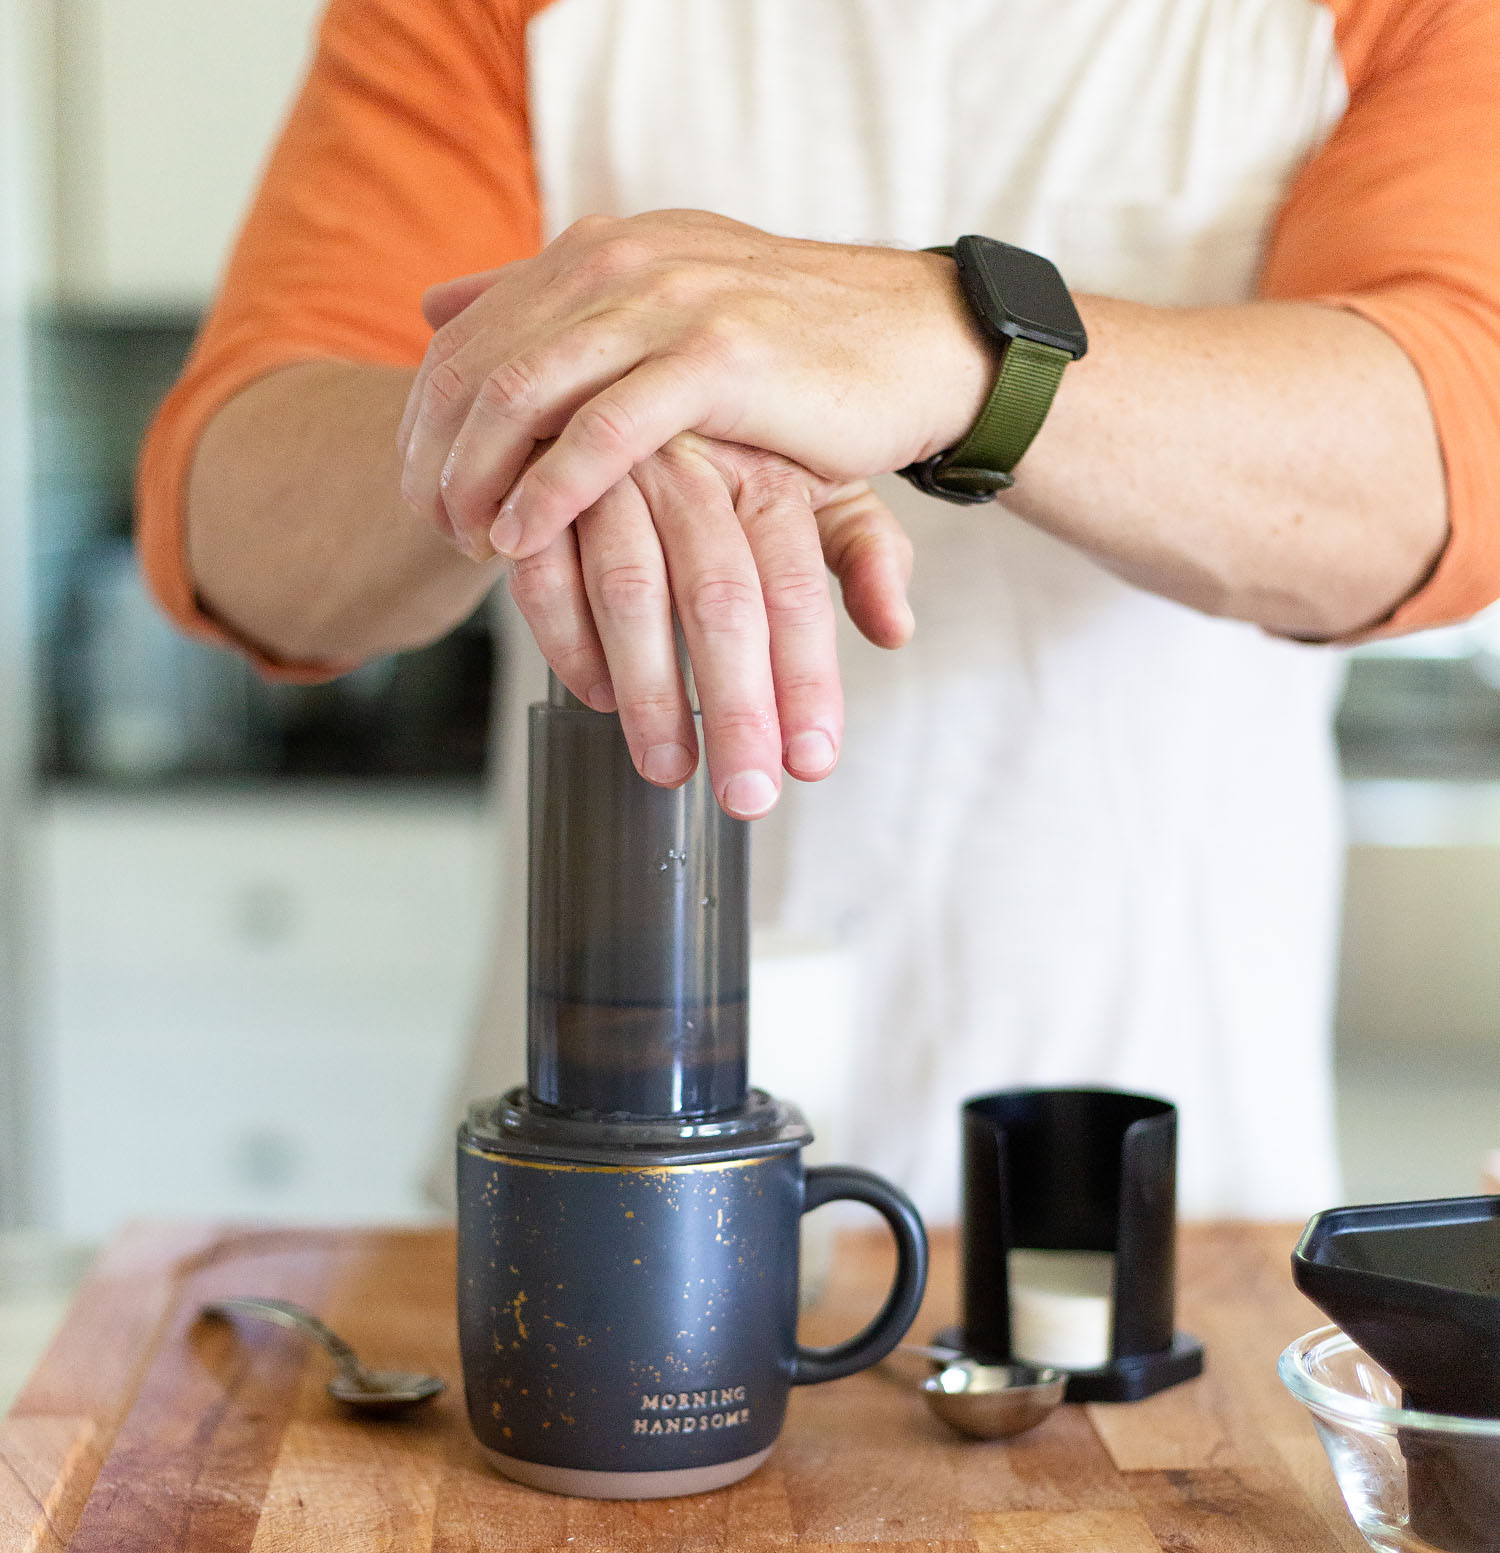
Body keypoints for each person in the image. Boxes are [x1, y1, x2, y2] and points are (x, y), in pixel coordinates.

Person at [138, 0, 1500, 1219]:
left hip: (1144, 1211)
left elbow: (1447, 458)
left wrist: (959, 344)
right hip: (594, 1207)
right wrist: (576, 410)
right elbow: (234, 519)